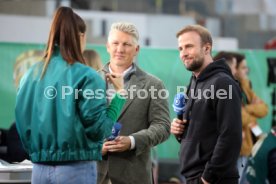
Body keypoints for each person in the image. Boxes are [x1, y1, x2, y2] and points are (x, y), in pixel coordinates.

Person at [15, 7, 126, 184]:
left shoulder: (30, 75)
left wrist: (39, 152)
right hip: (76, 169)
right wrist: (120, 95)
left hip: (38, 169)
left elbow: (21, 123)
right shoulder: (87, 76)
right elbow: (100, 130)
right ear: (81, 37)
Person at [97, 22, 171, 184]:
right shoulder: (90, 81)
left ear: (136, 49)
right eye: (115, 43)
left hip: (133, 175)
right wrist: (94, 147)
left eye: (126, 44)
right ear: (108, 46)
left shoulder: (153, 84)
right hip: (93, 174)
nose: (120, 49)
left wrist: (132, 141)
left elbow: (163, 126)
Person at [170, 25, 242, 184]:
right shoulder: (194, 81)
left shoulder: (223, 83)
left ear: (207, 48)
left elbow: (231, 135)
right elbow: (202, 131)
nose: (183, 53)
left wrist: (207, 178)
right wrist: (180, 130)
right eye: (180, 48)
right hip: (193, 176)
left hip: (213, 179)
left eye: (189, 46)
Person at [231, 52, 268, 183]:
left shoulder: (246, 86)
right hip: (238, 147)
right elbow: (238, 116)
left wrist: (245, 109)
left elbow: (264, 109)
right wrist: (249, 113)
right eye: (242, 67)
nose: (246, 70)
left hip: (250, 144)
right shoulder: (228, 88)